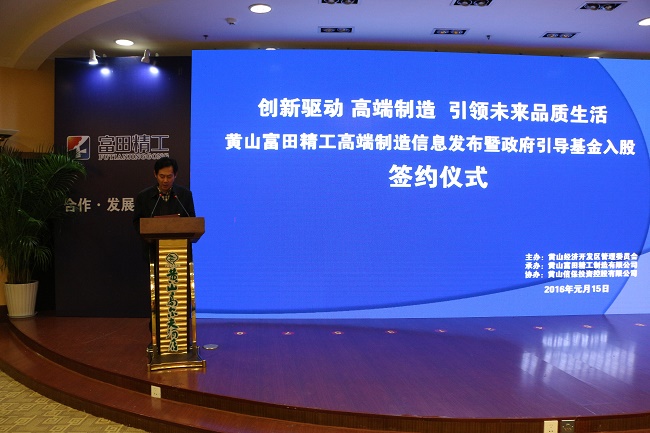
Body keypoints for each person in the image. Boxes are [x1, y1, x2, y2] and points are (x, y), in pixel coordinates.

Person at [133, 156, 195, 231]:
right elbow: (137, 223)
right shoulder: (143, 197)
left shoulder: (185, 195)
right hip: (153, 238)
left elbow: (192, 222)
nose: (165, 181)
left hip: (179, 238)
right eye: (162, 176)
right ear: (155, 174)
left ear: (175, 175)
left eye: (169, 177)